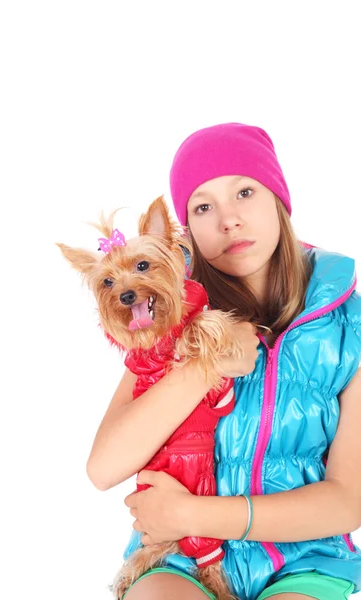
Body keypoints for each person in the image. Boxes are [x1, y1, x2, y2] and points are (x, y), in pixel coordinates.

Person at [86, 122, 361, 600]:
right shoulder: (169, 314)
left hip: (303, 553)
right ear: (186, 229)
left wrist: (193, 514)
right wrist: (205, 363)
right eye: (204, 206)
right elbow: (105, 467)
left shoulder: (347, 320)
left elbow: (348, 500)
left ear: (277, 198)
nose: (228, 220)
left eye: (245, 192)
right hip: (176, 555)